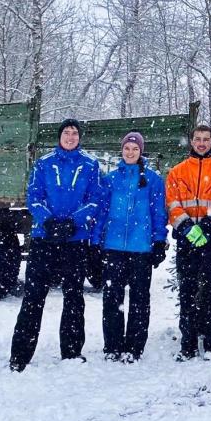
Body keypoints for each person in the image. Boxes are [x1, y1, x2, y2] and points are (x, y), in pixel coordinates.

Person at [9, 119, 102, 372]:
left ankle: (71, 352)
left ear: (79, 138)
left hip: (74, 241)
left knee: (74, 297)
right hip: (45, 239)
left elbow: (95, 200)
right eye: (66, 133)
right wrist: (48, 221)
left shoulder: (90, 165)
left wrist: (74, 222)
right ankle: (20, 355)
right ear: (59, 136)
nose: (70, 137)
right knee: (33, 296)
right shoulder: (44, 163)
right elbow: (34, 196)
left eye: (74, 133)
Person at [93, 132, 168, 363]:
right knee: (112, 298)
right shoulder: (111, 179)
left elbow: (158, 213)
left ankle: (134, 347)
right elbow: (101, 213)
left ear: (141, 151)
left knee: (139, 300)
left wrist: (159, 241)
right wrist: (96, 242)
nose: (130, 152)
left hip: (141, 248)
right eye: (127, 148)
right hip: (113, 246)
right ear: (122, 150)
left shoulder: (153, 180)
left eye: (135, 149)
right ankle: (112, 346)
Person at [166, 124, 211, 362]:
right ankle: (188, 344)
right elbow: (172, 204)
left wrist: (205, 226)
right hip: (186, 242)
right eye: (198, 139)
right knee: (187, 293)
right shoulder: (177, 171)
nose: (202, 143)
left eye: (206, 139)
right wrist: (187, 228)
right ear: (192, 141)